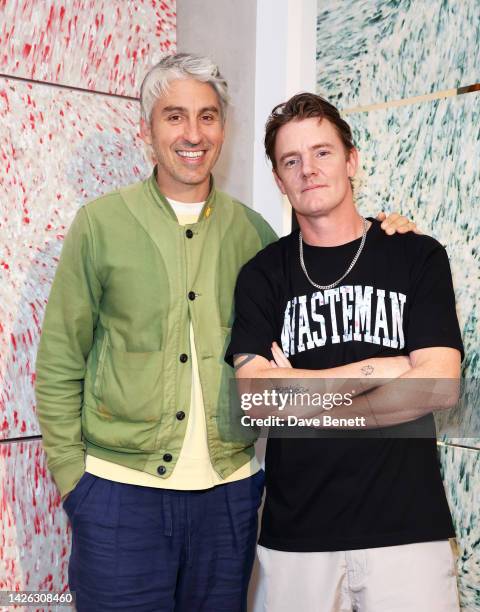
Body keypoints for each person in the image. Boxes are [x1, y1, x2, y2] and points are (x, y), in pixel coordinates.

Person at [35, 53, 415, 612]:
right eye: (175, 116)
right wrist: (76, 483)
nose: (193, 133)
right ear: (148, 131)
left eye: (208, 116)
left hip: (229, 500)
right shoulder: (100, 225)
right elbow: (60, 360)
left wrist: (390, 233)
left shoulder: (255, 235)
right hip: (119, 497)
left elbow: (328, 278)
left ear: (223, 129)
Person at [227, 93, 462, 612]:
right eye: (292, 160)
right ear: (278, 178)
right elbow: (256, 402)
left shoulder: (415, 255)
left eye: (322, 152)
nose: (308, 170)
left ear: (351, 160)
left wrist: (303, 394)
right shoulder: (263, 275)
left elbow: (440, 384)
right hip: (296, 539)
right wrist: (378, 369)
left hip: (407, 532)